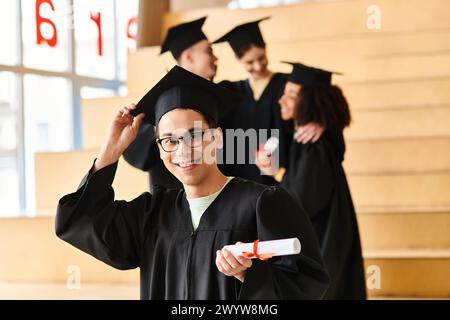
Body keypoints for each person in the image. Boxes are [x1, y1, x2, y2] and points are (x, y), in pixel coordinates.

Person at [56, 66, 329, 300]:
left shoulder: (261, 205)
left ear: (218, 139)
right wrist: (110, 152)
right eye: (170, 140)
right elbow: (77, 222)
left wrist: (249, 275)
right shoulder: (151, 214)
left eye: (195, 135)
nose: (183, 150)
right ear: (160, 149)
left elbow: (307, 283)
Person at [256, 62, 367, 299]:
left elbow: (299, 204)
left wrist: (269, 176)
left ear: (310, 102)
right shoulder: (308, 136)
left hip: (322, 245)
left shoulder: (314, 144)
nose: (281, 100)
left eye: (291, 95)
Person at [213, 17, 323, 185]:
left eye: (261, 58)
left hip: (282, 177)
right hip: (242, 181)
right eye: (250, 62)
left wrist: (319, 122)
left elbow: (320, 106)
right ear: (238, 59)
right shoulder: (232, 92)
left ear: (266, 48)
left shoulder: (287, 85)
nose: (258, 66)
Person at [123, 16, 218, 191]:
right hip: (171, 205)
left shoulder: (220, 97)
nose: (215, 57)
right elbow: (135, 154)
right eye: (208, 51)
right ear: (189, 57)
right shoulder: (159, 103)